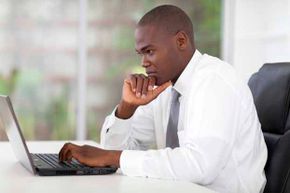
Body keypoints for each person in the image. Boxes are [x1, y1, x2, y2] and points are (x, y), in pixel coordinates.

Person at [59, 5, 267, 193]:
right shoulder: (165, 89)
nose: (143, 63)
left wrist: (113, 158)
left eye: (149, 51)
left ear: (181, 41)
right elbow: (113, 152)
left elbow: (200, 166)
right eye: (140, 54)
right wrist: (126, 109)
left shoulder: (214, 80)